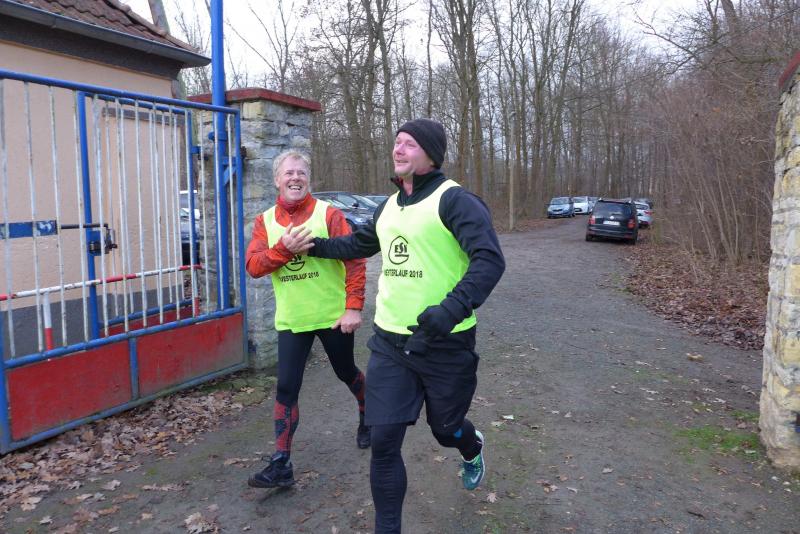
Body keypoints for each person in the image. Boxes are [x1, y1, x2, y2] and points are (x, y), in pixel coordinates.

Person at [300, 118, 505, 532]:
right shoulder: (389, 206)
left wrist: (451, 309)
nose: (398, 149)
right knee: (383, 442)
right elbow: (358, 244)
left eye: (409, 143)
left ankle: (470, 445)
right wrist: (313, 246)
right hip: (391, 344)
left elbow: (489, 260)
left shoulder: (455, 201)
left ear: (431, 154)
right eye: (397, 142)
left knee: (445, 430)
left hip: (445, 343)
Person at [244, 150, 370, 489]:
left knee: (346, 372)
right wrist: (284, 249)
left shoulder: (329, 214)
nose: (295, 177)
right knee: (286, 387)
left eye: (301, 172)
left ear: (309, 179)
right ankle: (281, 463)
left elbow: (355, 259)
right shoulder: (265, 221)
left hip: (332, 316)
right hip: (293, 319)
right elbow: (253, 266)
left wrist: (353, 307)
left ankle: (367, 413)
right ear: (277, 180)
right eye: (288, 173)